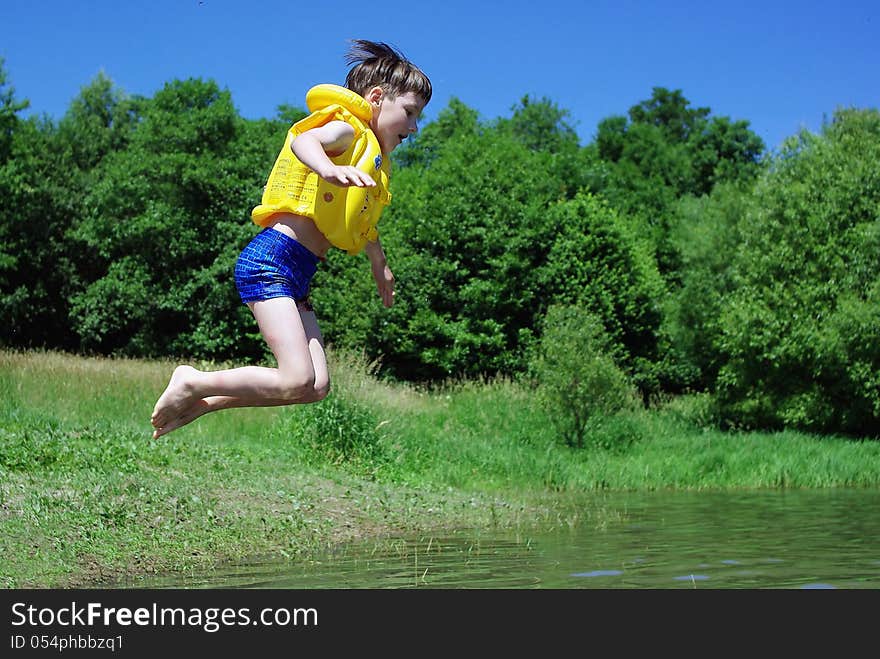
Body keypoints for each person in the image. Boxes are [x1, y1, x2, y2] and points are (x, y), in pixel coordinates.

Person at [150, 40, 432, 439]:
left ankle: (203, 402)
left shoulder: (369, 159)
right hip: (272, 262)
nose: (414, 128)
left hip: (297, 275)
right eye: (410, 113)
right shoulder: (348, 129)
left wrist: (379, 262)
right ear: (376, 98)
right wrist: (327, 170)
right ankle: (193, 380)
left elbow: (363, 224)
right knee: (296, 377)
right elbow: (305, 142)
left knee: (314, 387)